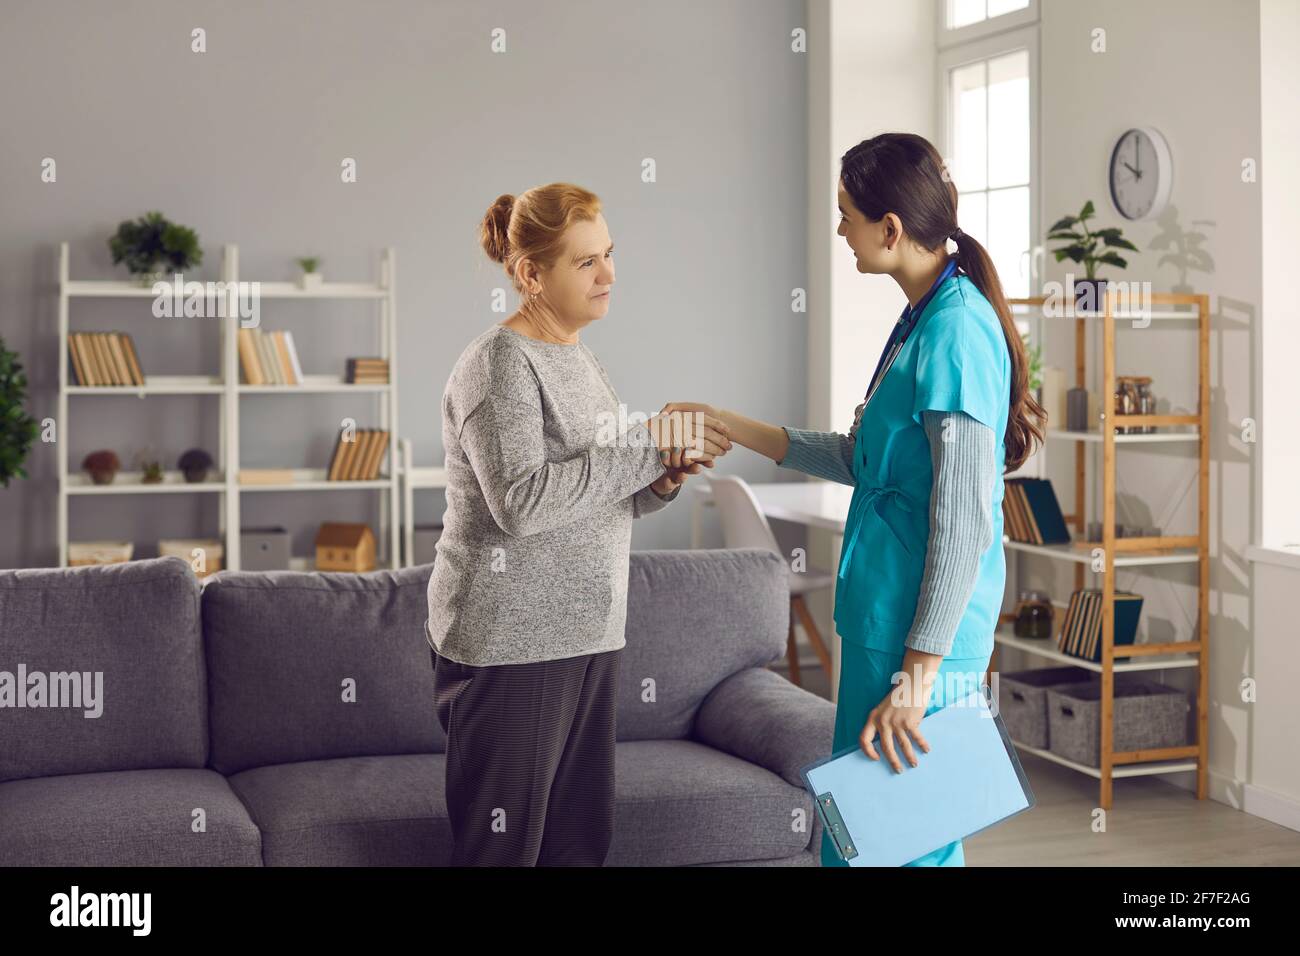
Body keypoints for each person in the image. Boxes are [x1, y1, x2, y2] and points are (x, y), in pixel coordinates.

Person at [664, 132, 1045, 867]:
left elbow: (963, 521)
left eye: (846, 215)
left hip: (920, 636)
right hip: (886, 619)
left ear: (890, 228)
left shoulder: (958, 330)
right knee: (866, 836)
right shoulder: (921, 317)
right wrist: (730, 424)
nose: (840, 230)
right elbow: (859, 459)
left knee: (904, 842)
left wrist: (918, 677)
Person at [425, 182, 733, 866]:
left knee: (578, 846)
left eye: (609, 255)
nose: (609, 275)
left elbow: (596, 491)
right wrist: (646, 446)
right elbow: (524, 503)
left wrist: (658, 480)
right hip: (512, 646)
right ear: (531, 275)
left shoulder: (578, 355)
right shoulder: (499, 364)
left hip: (588, 633)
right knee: (502, 854)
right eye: (587, 262)